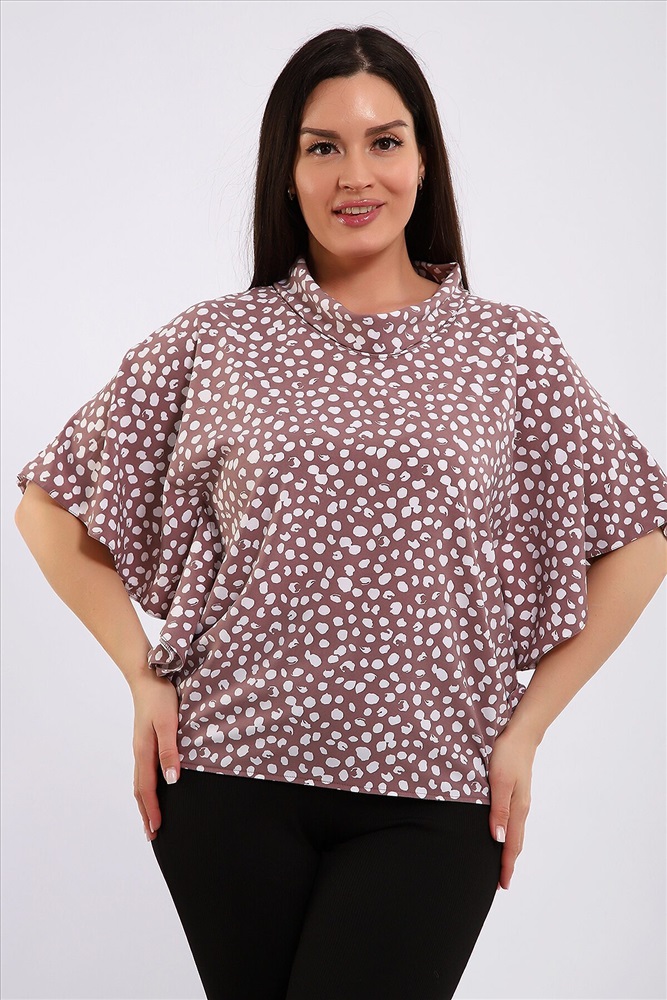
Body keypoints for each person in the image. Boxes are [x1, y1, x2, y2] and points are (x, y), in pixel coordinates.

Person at [14, 23, 667, 1000]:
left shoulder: (509, 351)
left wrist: (525, 728)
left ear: (423, 160)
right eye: (322, 146)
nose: (354, 175)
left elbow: (639, 536)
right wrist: (143, 675)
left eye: (383, 141)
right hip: (230, 774)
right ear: (286, 173)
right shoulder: (219, 340)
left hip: (434, 787)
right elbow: (48, 507)